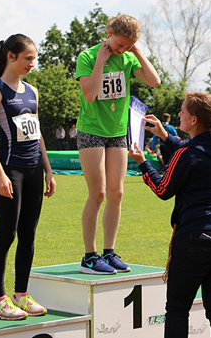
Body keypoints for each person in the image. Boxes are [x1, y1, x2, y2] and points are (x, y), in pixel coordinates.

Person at [128, 92, 211, 338]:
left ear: (193, 120)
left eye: (182, 111)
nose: (178, 114)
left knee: (178, 310)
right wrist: (164, 135)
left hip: (196, 239)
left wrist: (142, 163)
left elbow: (163, 190)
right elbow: (190, 148)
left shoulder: (189, 153)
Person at [75, 14, 161, 274]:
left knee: (117, 192)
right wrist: (102, 61)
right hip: (91, 130)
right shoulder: (88, 57)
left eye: (127, 46)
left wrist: (137, 51)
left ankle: (109, 252)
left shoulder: (128, 57)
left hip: (117, 132)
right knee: (98, 193)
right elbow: (89, 95)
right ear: (109, 31)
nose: (121, 49)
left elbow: (154, 81)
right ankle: (90, 257)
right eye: (119, 44)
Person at [0, 34, 56, 320]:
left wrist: (48, 170)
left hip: (34, 170)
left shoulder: (32, 91)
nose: (32, 64)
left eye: (34, 59)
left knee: (29, 235)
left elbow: (36, 133)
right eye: (28, 58)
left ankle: (21, 295)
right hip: (10, 170)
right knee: (7, 234)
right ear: (11, 56)